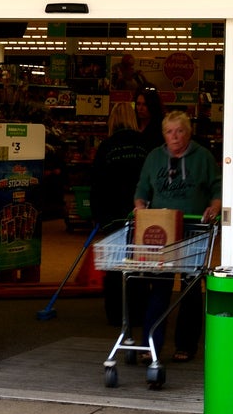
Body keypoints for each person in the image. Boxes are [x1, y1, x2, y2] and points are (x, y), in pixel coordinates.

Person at [133, 110, 222, 361]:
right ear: (163, 134)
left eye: (180, 131)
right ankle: (151, 345)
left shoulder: (202, 157)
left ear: (189, 132)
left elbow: (217, 186)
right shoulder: (153, 158)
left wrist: (214, 206)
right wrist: (140, 205)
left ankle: (186, 345)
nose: (175, 136)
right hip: (162, 230)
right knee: (158, 287)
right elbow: (142, 188)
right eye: (169, 131)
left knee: (190, 288)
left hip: (194, 228)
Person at [91, 102, 150, 326]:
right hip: (139, 212)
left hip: (111, 213)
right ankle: (138, 311)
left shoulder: (106, 146)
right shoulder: (145, 144)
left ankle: (115, 314)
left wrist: (97, 214)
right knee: (140, 263)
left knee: (114, 265)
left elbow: (96, 182)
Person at [134, 86, 165, 151]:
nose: (140, 108)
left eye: (145, 104)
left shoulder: (159, 129)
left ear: (152, 106)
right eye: (138, 104)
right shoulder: (132, 125)